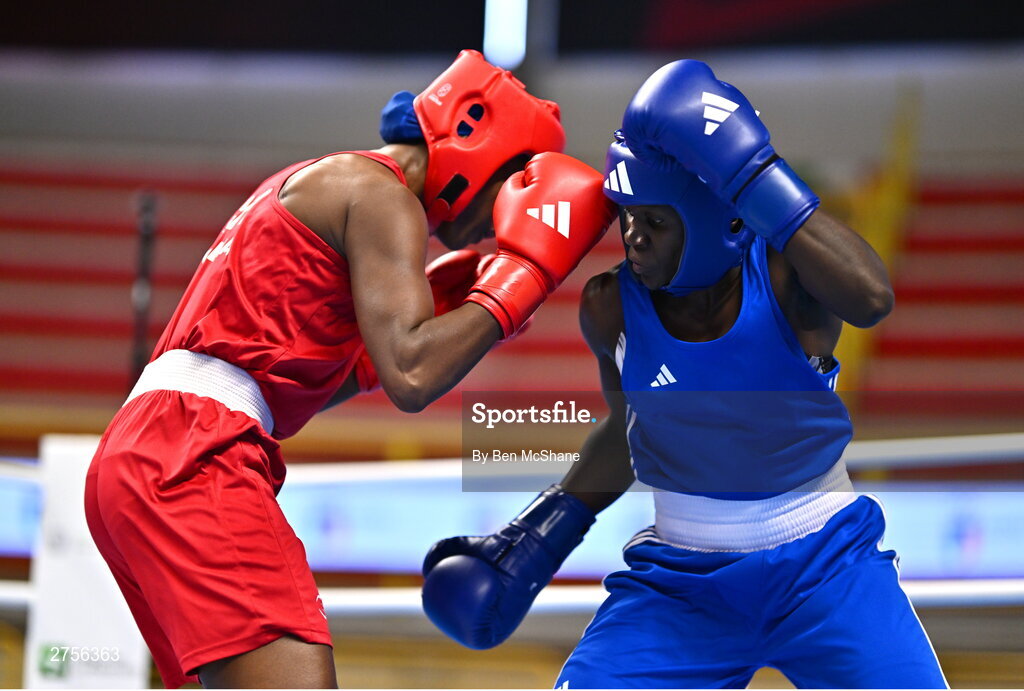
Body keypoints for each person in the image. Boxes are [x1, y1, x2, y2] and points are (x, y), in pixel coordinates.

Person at [83, 49, 615, 689]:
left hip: (144, 452)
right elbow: (414, 374)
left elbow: (271, 377)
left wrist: (362, 364)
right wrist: (525, 275)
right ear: (476, 132)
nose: (499, 224)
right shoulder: (382, 197)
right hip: (194, 457)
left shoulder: (325, 179)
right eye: (512, 186)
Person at [421, 59, 949, 688]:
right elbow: (631, 430)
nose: (633, 237)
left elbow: (871, 298)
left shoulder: (785, 279)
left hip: (826, 564)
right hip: (680, 582)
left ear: (716, 216)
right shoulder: (609, 305)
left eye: (657, 221)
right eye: (627, 216)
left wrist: (756, 172)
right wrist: (537, 538)